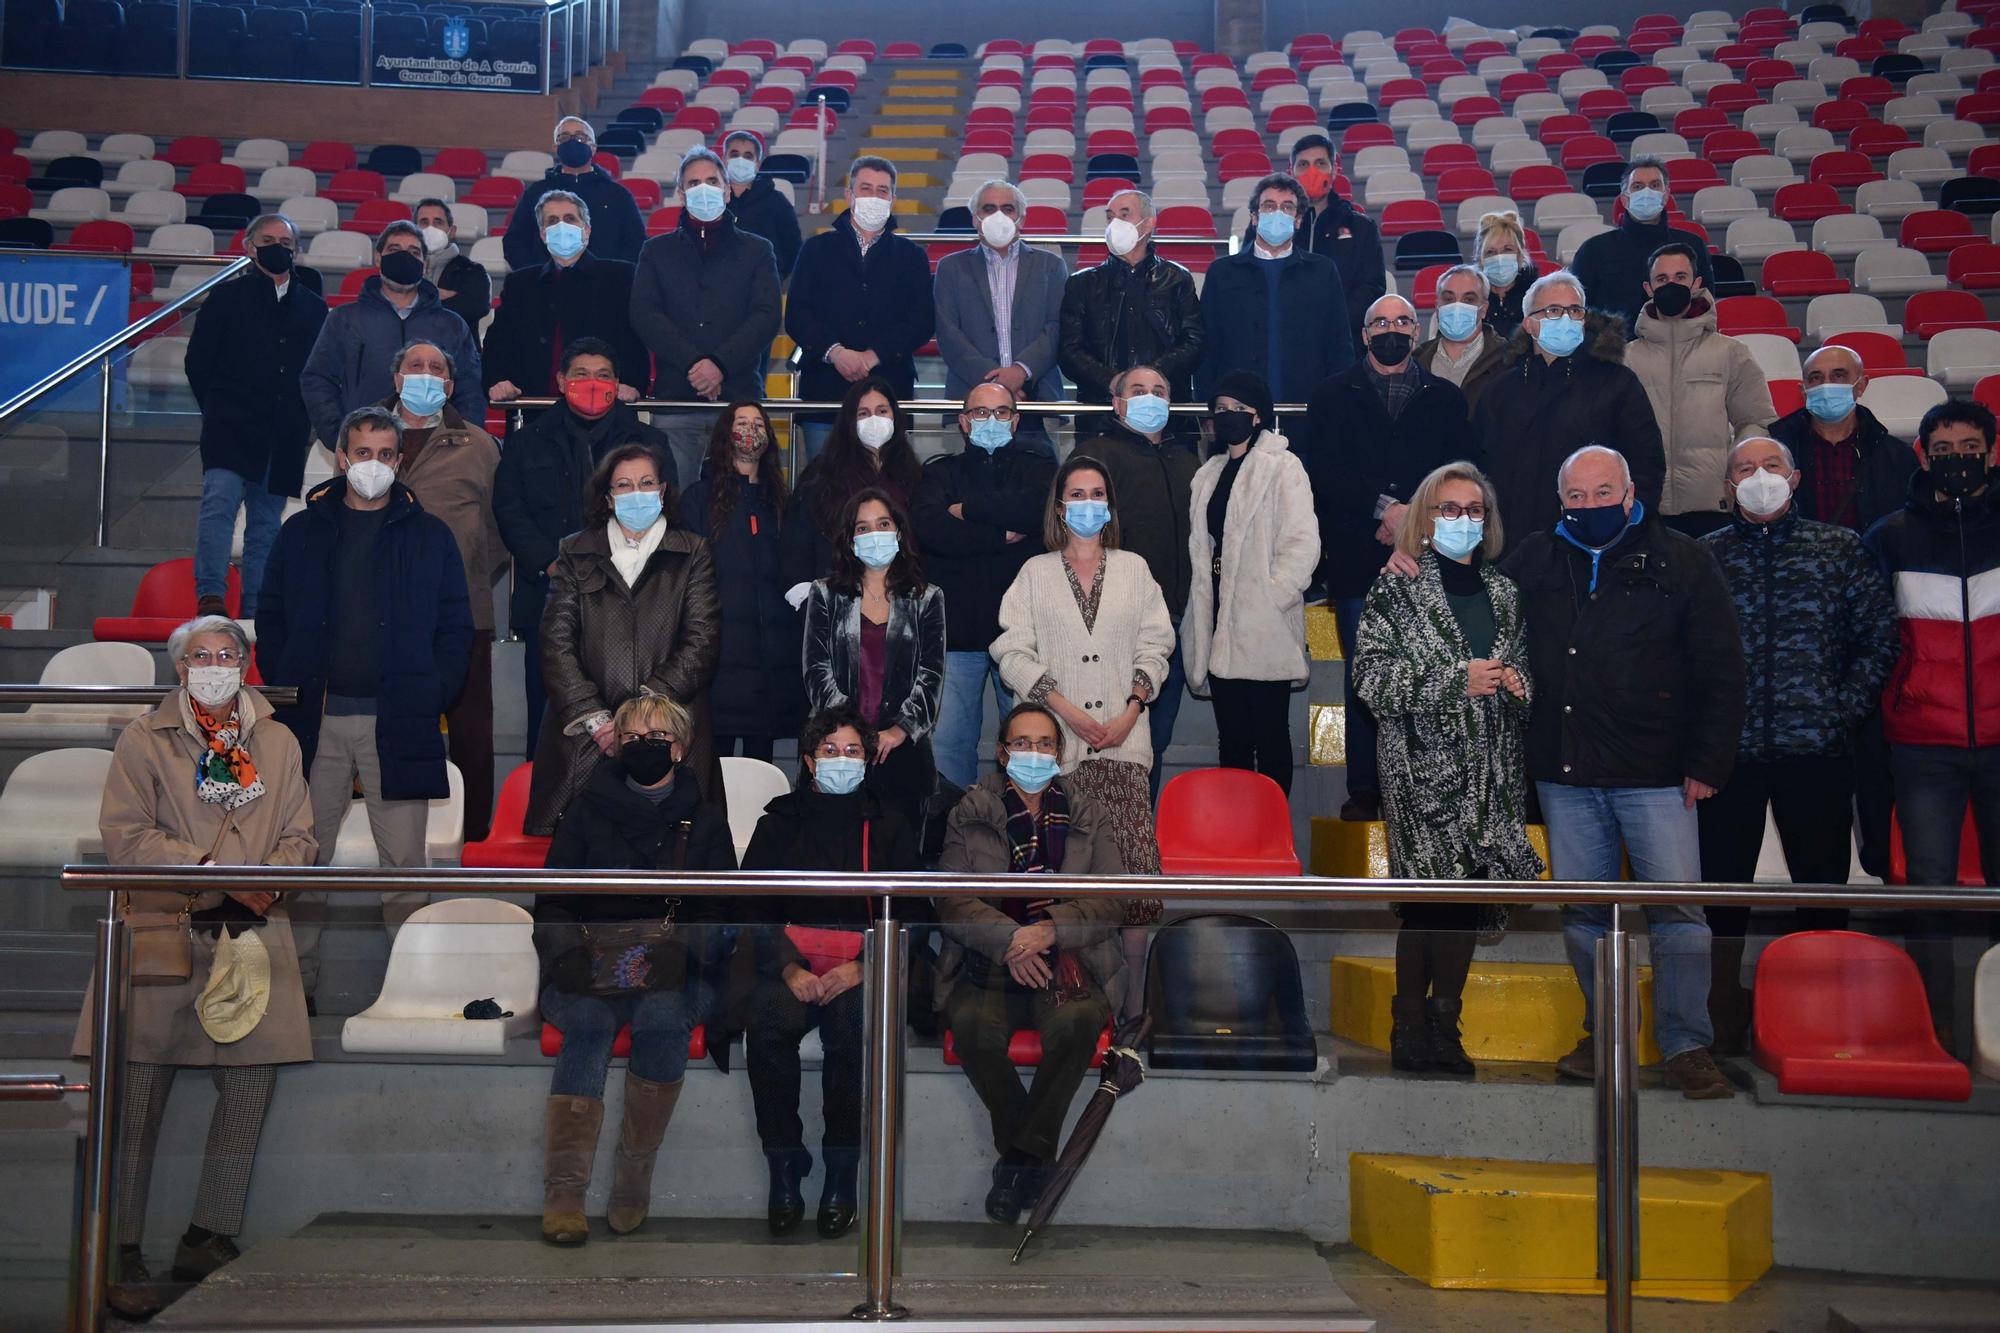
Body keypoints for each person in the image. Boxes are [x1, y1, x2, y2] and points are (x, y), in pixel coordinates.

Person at [83, 616, 316, 1321]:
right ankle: (117, 1248)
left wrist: (267, 881)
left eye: (228, 653)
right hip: (163, 928)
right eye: (200, 655)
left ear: (246, 663)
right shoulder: (142, 738)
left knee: (248, 1086)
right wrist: (216, 872)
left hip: (254, 929)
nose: (215, 663)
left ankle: (206, 1236)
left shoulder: (276, 739)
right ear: (179, 668)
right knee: (136, 1092)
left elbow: (303, 834)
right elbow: (126, 835)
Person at [1499, 445, 1744, 1100]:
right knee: (1583, 914)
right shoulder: (1534, 558)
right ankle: (1604, 1031)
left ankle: (1687, 1044)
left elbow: (1722, 668)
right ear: (1560, 501)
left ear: (1631, 490)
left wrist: (1707, 761)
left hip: (1661, 773)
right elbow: (1478, 608)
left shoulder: (1685, 560)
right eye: (1575, 497)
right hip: (1565, 772)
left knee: (1681, 915)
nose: (1589, 506)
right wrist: (1414, 561)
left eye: (1602, 492)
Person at [256, 408, 472, 995]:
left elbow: (456, 627)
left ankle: (412, 993)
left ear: (399, 461)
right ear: (340, 457)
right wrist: (288, 680)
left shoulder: (429, 536)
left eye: (384, 454)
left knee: (405, 873)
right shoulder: (302, 531)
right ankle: (293, 997)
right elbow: (271, 615)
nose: (371, 464)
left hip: (399, 723)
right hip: (312, 726)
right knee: (303, 865)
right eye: (360, 453)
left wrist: (432, 691)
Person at [1699, 436, 1897, 1052]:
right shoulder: (1703, 557)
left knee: (1820, 890)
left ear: (1796, 477)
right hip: (1726, 759)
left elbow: (1880, 639)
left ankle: (1822, 1014)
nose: (1760, 477)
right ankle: (1719, 1021)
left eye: (1772, 466)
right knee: (1719, 896)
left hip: (1817, 753)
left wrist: (1840, 713)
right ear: (1728, 486)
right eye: (1744, 469)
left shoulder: (1839, 550)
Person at [1351, 464, 1541, 1075]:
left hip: (1490, 776)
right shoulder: (1395, 589)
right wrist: (1452, 682)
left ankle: (1445, 1026)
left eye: (1474, 509)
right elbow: (1371, 681)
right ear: (1426, 520)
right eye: (1449, 509)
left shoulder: (1506, 593)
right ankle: (1408, 1025)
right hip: (1418, 772)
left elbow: (1524, 681)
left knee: (1464, 904)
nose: (1463, 520)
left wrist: (1514, 686)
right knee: (1430, 902)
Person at [534, 691, 737, 1246]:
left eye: (658, 738)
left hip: (676, 968)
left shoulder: (708, 821)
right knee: (591, 1023)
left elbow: (723, 908)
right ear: (615, 746)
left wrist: (688, 953)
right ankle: (565, 1193)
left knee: (663, 1014)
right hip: (585, 965)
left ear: (682, 748)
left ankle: (632, 1179)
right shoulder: (582, 810)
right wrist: (566, 956)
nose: (644, 747)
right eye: (632, 738)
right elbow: (551, 901)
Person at [934, 701, 1126, 1224]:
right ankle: (1033, 1160)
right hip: (990, 960)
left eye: (1045, 744)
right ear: (1001, 752)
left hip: (1068, 962)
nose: (1034, 753)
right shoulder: (970, 810)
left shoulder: (1088, 812)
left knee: (1081, 1021)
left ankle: (1016, 1162)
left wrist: (1050, 930)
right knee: (971, 1024)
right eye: (1022, 743)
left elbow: (1115, 899)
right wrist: (1012, 939)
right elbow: (950, 900)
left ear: (1060, 753)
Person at [742, 704, 923, 1239]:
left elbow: (913, 909)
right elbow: (751, 908)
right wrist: (790, 967)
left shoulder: (889, 822)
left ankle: (841, 1174)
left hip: (861, 968)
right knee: (768, 1023)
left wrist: (866, 967)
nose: (841, 760)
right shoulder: (778, 822)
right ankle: (785, 1165)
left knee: (851, 1031)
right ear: (808, 759)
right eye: (829, 750)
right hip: (791, 965)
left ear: (868, 761)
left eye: (853, 751)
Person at [1862, 398, 2000, 1044]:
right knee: (1929, 890)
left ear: (1991, 451)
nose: (1957, 461)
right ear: (1923, 454)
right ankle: (1935, 1030)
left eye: (1969, 447)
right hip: (1922, 744)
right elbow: (1867, 636)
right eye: (1943, 451)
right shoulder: (1891, 535)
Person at [1306, 295, 1475, 820]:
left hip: (1433, 556)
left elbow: (1458, 472)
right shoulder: (1331, 395)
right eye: (1380, 322)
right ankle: (1367, 789)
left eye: (1402, 322)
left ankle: (1426, 788)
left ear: (1416, 328)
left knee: (1432, 671)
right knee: (1366, 677)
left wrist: (1414, 517)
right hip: (1359, 561)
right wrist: (1386, 509)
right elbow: (1325, 471)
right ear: (1364, 334)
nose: (1392, 330)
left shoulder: (1445, 398)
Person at [992, 454, 1175, 887]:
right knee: (1066, 883)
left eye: (1097, 495)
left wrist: (1131, 711)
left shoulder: (1135, 569)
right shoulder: (1034, 572)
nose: (1088, 503)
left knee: (1133, 883)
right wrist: (1067, 713)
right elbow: (1012, 653)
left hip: (1124, 746)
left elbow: (1156, 645)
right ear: (1059, 507)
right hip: (1054, 754)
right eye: (1077, 495)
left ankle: (1132, 961)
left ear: (1110, 505)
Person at [526, 443, 723, 836]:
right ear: (608, 497)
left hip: (671, 733)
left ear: (663, 492)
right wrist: (601, 724)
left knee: (674, 860)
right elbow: (556, 642)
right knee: (582, 867)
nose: (638, 493)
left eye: (647, 483)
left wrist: (643, 719)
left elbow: (702, 639)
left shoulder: (694, 551)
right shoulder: (575, 550)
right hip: (587, 739)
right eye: (625, 485)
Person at [494, 338, 674, 755]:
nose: (592, 383)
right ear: (560, 380)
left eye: (603, 375)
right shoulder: (529, 440)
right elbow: (509, 509)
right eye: (581, 374)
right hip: (549, 599)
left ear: (618, 383)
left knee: (628, 723)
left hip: (630, 601)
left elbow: (667, 511)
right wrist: (551, 565)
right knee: (549, 721)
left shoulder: (649, 442)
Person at [375, 341, 504, 843]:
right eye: (415, 366)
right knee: (391, 727)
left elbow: (497, 532)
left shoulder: (478, 445)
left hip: (463, 612)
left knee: (472, 734)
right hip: (383, 616)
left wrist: (462, 572)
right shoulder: (368, 437)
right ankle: (396, 837)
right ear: (397, 378)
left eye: (437, 369)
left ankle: (473, 837)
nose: (426, 375)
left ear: (450, 386)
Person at [912, 383, 1057, 788]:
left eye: (1000, 412)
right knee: (950, 743)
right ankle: (954, 834)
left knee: (1030, 743)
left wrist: (966, 510)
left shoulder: (1039, 467)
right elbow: (930, 528)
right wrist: (997, 536)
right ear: (962, 421)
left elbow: (1036, 512)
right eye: (979, 412)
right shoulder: (939, 471)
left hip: (1024, 634)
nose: (989, 421)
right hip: (958, 633)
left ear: (1015, 420)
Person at [183, 212, 327, 619]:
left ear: (296, 251)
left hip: (284, 435)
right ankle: (211, 595)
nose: (277, 247)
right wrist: (218, 408)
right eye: (268, 239)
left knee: (266, 525)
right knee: (218, 510)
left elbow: (317, 370)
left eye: (286, 241)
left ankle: (256, 608)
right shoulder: (226, 298)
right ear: (249, 246)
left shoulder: (314, 307)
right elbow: (198, 363)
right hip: (230, 426)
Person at [1183, 371, 1319, 795]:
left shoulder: (1283, 466)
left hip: (1265, 625)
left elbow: (1302, 542)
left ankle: (1272, 837)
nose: (1228, 417)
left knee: (1272, 738)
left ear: (1258, 416)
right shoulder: (1208, 474)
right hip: (1220, 620)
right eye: (1220, 410)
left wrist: (1272, 595)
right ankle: (1237, 839)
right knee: (1233, 742)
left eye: (1238, 409)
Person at [1473, 269, 1665, 554]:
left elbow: (1646, 466)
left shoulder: (1617, 383)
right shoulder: (1498, 392)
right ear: (1529, 324)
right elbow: (1480, 472)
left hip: (1595, 547)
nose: (1565, 318)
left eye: (1574, 310)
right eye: (1553, 310)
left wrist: (1626, 532)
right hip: (1513, 549)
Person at [1075, 366, 1198, 797]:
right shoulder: (1094, 456)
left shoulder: (1187, 459)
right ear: (1117, 402)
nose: (1150, 397)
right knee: (1106, 738)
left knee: (1153, 742)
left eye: (1159, 390)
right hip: (1115, 622)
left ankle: (1137, 843)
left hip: (1177, 620)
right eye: (1139, 390)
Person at [630, 146, 782, 491]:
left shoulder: (758, 250)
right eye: (694, 182)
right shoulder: (655, 251)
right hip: (676, 400)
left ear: (728, 190)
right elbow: (645, 314)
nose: (704, 188)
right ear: (681, 194)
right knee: (676, 506)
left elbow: (766, 315)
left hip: (738, 399)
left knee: (742, 505)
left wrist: (719, 365)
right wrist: (695, 364)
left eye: (712, 181)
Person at [803, 487, 945, 830]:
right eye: (863, 528)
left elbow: (932, 674)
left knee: (899, 859)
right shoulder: (824, 593)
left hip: (902, 752)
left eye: (883, 524)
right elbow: (816, 668)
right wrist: (852, 736)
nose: (875, 534)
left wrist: (900, 730)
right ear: (850, 539)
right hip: (837, 752)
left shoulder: (928, 598)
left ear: (898, 532)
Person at [677, 401, 803, 763]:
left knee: (763, 778)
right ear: (724, 434)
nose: (751, 430)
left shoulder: (781, 500)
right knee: (713, 773)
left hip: (772, 666)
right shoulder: (698, 499)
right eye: (741, 422)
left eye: (758, 423)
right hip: (720, 661)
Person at [786, 156, 936, 458]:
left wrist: (873, 355)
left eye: (883, 191)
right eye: (865, 188)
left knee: (889, 492)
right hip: (824, 394)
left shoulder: (912, 256)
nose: (874, 196)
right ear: (849, 195)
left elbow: (921, 321)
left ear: (893, 199)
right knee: (824, 494)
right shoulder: (815, 250)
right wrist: (836, 352)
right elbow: (797, 315)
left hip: (890, 390)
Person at [1624, 242, 1776, 537]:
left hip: (1714, 507)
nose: (1672, 285)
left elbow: (1755, 422)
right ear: (1648, 287)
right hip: (1645, 508)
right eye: (1662, 279)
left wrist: (1740, 476)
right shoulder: (1626, 357)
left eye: (1680, 277)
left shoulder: (1731, 352)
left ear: (1696, 283)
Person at [299, 221, 485, 451]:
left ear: (424, 264)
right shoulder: (344, 319)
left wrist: (460, 444)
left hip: (434, 452)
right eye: (395, 250)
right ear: (378, 259)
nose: (404, 257)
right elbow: (317, 379)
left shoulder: (451, 324)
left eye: (414, 252)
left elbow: (469, 389)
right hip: (363, 449)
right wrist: (339, 435)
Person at [1197, 172, 1353, 406]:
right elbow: (1207, 347)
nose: (1278, 214)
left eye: (1287, 207)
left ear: (1299, 219)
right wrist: (1207, 406)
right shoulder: (1222, 272)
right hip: (1238, 411)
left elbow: (1339, 344)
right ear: (1254, 217)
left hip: (1307, 408)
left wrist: (1337, 403)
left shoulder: (1322, 271)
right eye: (1269, 206)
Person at [483, 190, 648, 402]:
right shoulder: (520, 283)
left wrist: (632, 383)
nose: (561, 226)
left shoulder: (620, 276)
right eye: (552, 221)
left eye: (570, 218)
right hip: (532, 406)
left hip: (604, 403)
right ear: (543, 235)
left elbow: (634, 337)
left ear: (586, 230)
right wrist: (498, 381)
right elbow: (499, 341)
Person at [1057, 187, 1205, 406]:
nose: (1115, 223)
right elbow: (1069, 350)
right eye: (1110, 217)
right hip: (1102, 410)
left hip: (1168, 409)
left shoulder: (1176, 278)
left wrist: (1150, 380)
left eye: (1124, 215)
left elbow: (1194, 341)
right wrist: (1113, 381)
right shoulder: (1082, 283)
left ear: (1148, 223)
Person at [933, 179, 1069, 404]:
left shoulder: (1051, 265)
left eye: (1007, 209)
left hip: (1037, 395)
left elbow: (1057, 327)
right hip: (971, 396)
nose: (999, 216)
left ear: (1021, 219)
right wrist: (997, 383)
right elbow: (948, 333)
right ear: (976, 219)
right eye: (989, 209)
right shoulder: (950, 268)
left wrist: (1020, 371)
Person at [784, 377, 925, 590]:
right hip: (840, 588)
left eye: (882, 411)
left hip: (900, 589)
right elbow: (799, 539)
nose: (874, 420)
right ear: (850, 420)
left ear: (895, 416)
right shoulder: (822, 474)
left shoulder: (912, 473)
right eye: (863, 413)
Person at [1771, 343, 1919, 533]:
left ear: (1861, 385)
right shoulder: (1777, 452)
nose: (1826, 385)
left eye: (1838, 376)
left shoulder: (1897, 456)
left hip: (1870, 558)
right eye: (1816, 378)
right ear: (1803, 390)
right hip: (1800, 559)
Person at [1568, 155, 1716, 335]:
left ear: (1666, 195)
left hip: (1681, 349)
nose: (1647, 192)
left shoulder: (1693, 245)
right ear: (1624, 199)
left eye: (1655, 185)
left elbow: (1704, 305)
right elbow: (1577, 311)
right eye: (1637, 186)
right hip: (1614, 354)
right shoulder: (1593, 250)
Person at [501, 115, 646, 269]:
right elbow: (514, 242)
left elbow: (636, 244)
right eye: (564, 138)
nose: (572, 142)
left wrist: (613, 276)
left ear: (593, 147)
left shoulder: (617, 195)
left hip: (604, 287)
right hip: (546, 286)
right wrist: (537, 275)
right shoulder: (536, 193)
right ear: (555, 147)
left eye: (580, 137)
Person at [1288, 132, 1385, 344]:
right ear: (1291, 172)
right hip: (1286, 340)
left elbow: (1372, 288)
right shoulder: (1275, 226)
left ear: (1334, 171)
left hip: (1344, 343)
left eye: (1320, 163)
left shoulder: (1361, 228)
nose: (1312, 171)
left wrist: (1332, 321)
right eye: (1303, 165)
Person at [1415, 263, 1506, 413]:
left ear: (1484, 310)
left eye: (1468, 300)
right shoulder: (1417, 361)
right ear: (1437, 307)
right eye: (1449, 299)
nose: (1457, 306)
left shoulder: (1507, 359)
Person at [722, 128, 802, 281]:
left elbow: (792, 248)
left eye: (748, 156)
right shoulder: (710, 200)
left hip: (764, 287)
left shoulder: (777, 201)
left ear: (757, 164)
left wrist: (775, 275)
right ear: (724, 159)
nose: (740, 160)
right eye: (734, 154)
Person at [412, 196, 491, 334]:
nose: (431, 228)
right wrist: (439, 296)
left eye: (438, 222)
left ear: (452, 231)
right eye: (424, 222)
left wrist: (420, 297)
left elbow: (474, 308)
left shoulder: (472, 271)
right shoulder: (401, 268)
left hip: (457, 350)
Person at [1473, 210, 1537, 341]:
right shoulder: (1469, 297)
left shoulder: (1538, 296)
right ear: (1481, 259)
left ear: (1520, 254)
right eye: (1491, 252)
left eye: (1507, 250)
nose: (1499, 258)